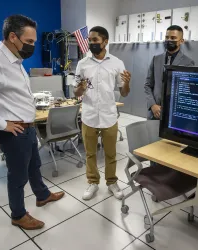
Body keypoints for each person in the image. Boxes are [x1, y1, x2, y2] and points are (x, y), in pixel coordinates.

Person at [0, 15, 64, 230]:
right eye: (29, 42)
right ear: (12, 36)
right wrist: (2, 123)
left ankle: (42, 195)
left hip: (27, 127)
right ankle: (18, 214)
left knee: (34, 166)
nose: (32, 47)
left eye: (34, 42)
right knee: (18, 176)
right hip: (13, 130)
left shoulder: (15, 58)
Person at [74, 26, 131, 201]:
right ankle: (92, 182)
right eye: (89, 40)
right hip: (89, 115)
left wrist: (127, 83)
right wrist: (81, 89)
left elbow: (125, 92)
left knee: (110, 153)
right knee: (90, 153)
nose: (91, 43)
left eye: (95, 40)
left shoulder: (117, 63)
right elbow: (76, 93)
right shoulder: (83, 64)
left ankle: (112, 182)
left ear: (105, 41)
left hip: (109, 116)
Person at [145, 25, 195, 120]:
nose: (169, 40)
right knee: (151, 135)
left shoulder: (188, 63)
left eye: (173, 38)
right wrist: (152, 105)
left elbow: (188, 91)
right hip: (155, 112)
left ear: (181, 41)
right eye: (167, 37)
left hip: (175, 114)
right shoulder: (156, 59)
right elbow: (147, 85)